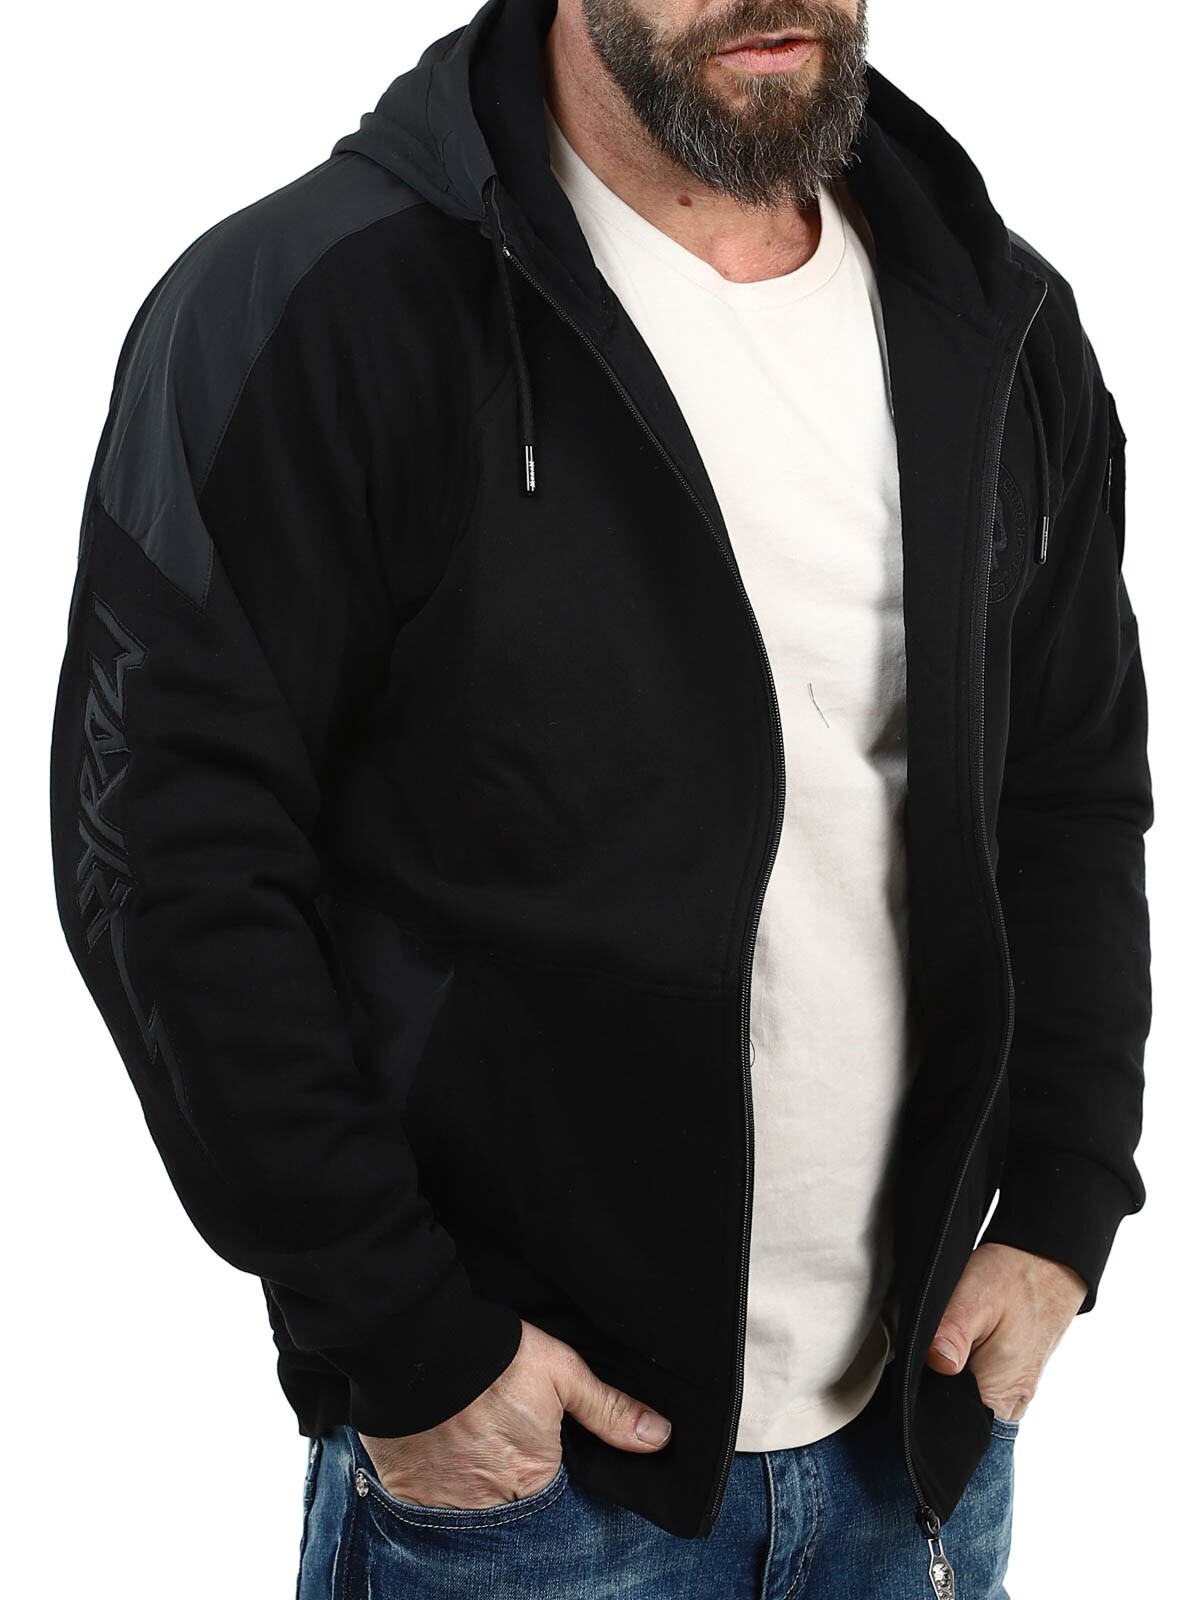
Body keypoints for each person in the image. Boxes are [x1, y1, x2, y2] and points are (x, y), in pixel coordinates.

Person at [49, 0, 1153, 1595]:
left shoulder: (993, 315)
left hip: (913, 1447)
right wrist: (413, 1345)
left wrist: (1062, 1201)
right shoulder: (318, 304)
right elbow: (163, 859)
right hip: (528, 1485)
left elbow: (1066, 787)